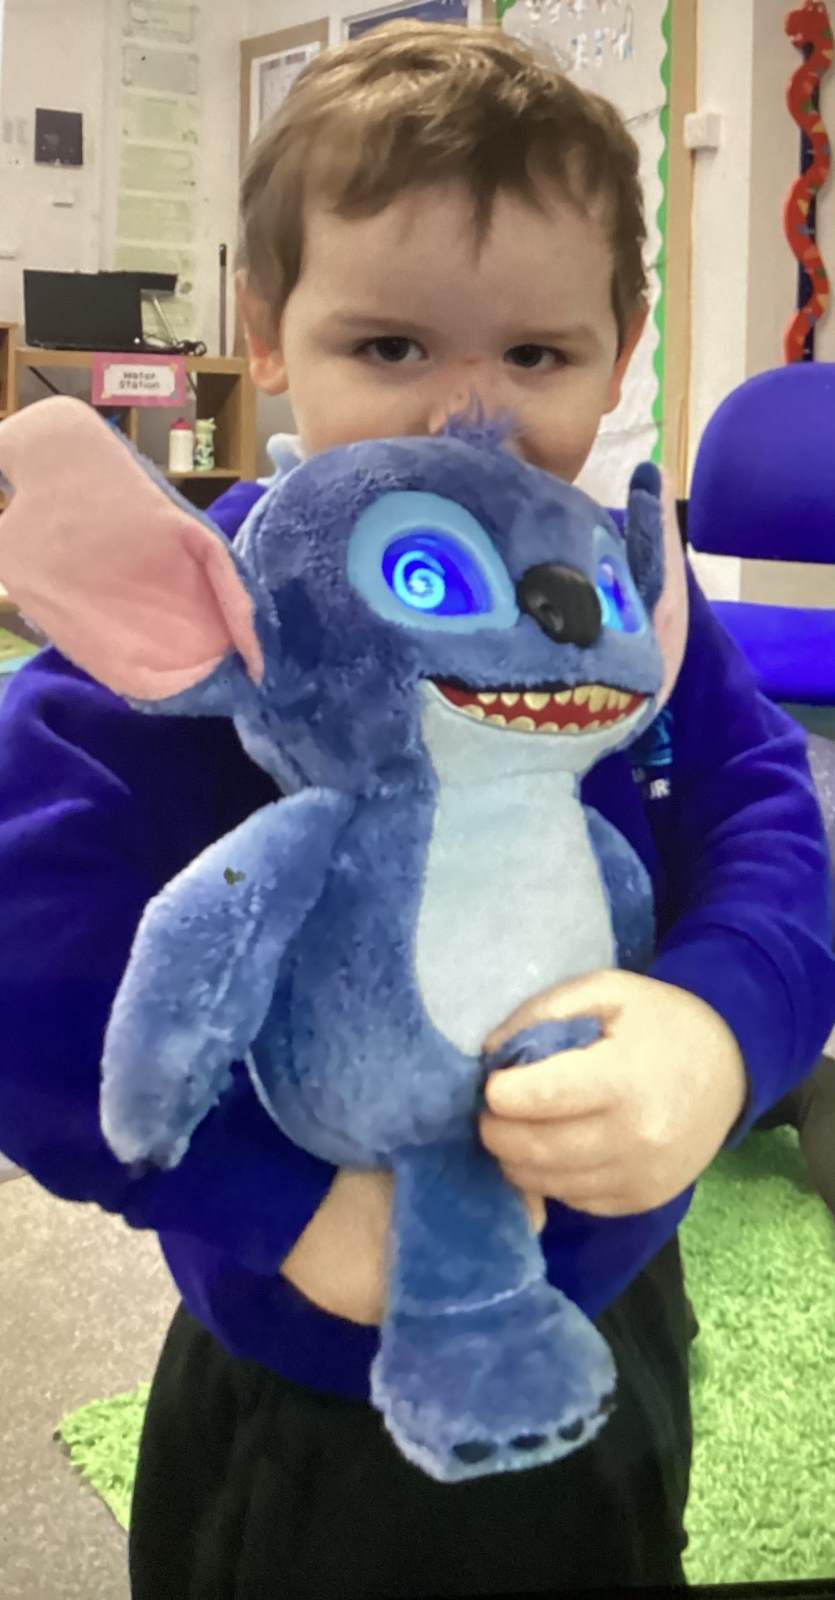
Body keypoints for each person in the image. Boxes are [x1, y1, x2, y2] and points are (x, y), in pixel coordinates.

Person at [1, 22, 833, 1598]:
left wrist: (723, 1035)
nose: (471, 417)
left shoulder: (622, 598)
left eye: (537, 357)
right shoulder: (232, 616)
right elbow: (22, 930)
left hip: (612, 1283)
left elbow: (762, 820)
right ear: (271, 332)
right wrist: (278, 1206)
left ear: (622, 348)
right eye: (390, 346)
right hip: (316, 1359)